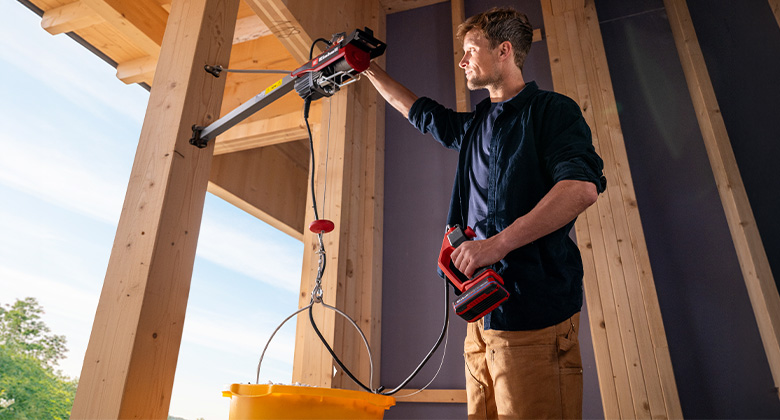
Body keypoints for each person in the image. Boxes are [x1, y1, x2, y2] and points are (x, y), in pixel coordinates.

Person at [364, 6, 606, 420]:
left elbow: (580, 189)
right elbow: (421, 114)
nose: (462, 61)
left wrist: (496, 245)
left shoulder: (551, 112)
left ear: (504, 51)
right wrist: (366, 69)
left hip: (534, 314)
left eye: (471, 50)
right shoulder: (477, 124)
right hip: (481, 317)